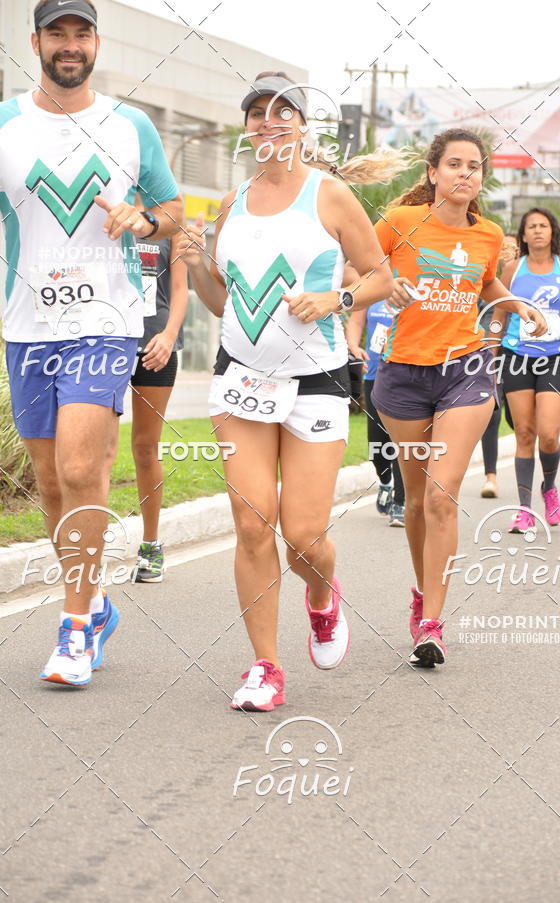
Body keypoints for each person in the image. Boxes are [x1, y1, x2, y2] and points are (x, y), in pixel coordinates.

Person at [175, 72, 395, 710]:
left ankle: (323, 596)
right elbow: (219, 300)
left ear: (303, 124)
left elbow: (383, 277)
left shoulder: (331, 197)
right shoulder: (231, 203)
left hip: (317, 381)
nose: (268, 123)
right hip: (240, 377)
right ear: (247, 128)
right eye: (257, 114)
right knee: (251, 525)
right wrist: (194, 264)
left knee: (301, 533)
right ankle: (265, 666)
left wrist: (337, 297)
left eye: (282, 112)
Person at [0, 0, 182, 686]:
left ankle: (74, 629)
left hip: (105, 322)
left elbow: (172, 213)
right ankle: (97, 601)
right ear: (37, 41)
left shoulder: (130, 127)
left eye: (81, 33)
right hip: (27, 326)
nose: (70, 45)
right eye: (58, 33)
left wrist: (143, 219)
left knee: (81, 469)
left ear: (97, 42)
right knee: (51, 481)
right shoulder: (6, 125)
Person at [371, 128, 547, 667]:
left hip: (466, 371)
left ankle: (432, 623)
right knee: (418, 499)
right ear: (433, 173)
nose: (465, 173)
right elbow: (359, 264)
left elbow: (485, 282)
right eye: (454, 164)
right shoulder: (399, 223)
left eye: (474, 166)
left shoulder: (489, 234)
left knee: (443, 494)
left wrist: (515, 304)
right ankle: (423, 591)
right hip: (402, 375)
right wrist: (383, 284)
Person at [496, 207, 560, 533]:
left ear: (552, 232)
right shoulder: (512, 268)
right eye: (531, 226)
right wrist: (490, 353)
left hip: (555, 356)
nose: (538, 231)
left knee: (548, 435)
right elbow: (501, 313)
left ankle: (548, 487)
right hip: (516, 355)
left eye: (544, 225)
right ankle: (524, 510)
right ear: (523, 235)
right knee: (524, 433)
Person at [130, 204, 191, 583]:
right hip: (107, 345)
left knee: (144, 447)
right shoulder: (105, 209)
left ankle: (151, 546)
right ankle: (88, 546)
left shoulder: (170, 225)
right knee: (97, 451)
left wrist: (168, 336)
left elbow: (182, 290)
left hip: (156, 348)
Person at [346, 300, 406, 525]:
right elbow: (355, 320)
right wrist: (353, 346)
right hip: (374, 375)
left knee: (401, 443)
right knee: (377, 445)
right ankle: (385, 481)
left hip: (403, 376)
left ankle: (400, 503)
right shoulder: (374, 287)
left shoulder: (413, 286)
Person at [479, 233, 518, 498]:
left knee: (516, 418)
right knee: (491, 412)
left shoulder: (523, 280)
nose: (506, 253)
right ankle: (490, 477)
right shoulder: (483, 280)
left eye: (512, 249)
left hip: (520, 353)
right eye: (502, 249)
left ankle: (528, 459)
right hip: (487, 352)